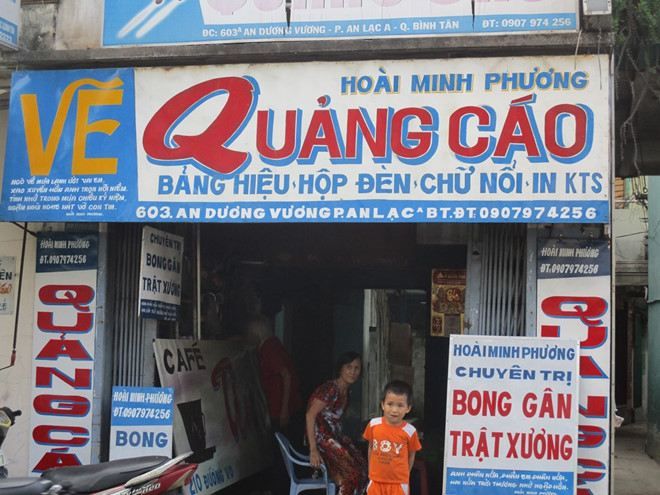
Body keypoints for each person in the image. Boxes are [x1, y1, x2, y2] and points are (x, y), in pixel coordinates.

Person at [306, 352, 368, 495]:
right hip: (321, 438)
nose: (353, 372)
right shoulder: (330, 388)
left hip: (335, 437)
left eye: (357, 368)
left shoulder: (346, 392)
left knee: (364, 469)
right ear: (340, 368)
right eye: (349, 367)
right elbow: (310, 415)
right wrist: (313, 449)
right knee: (352, 474)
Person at [245, 315, 303, 435]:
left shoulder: (269, 348)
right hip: (281, 406)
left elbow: (286, 375)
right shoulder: (272, 344)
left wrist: (284, 410)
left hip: (279, 408)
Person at [362, 381, 421, 495]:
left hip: (398, 483)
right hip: (376, 481)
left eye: (400, 405)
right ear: (382, 405)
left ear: (408, 408)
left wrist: (405, 475)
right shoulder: (373, 424)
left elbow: (411, 454)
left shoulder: (410, 431)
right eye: (390, 404)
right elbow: (371, 447)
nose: (394, 410)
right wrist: (371, 472)